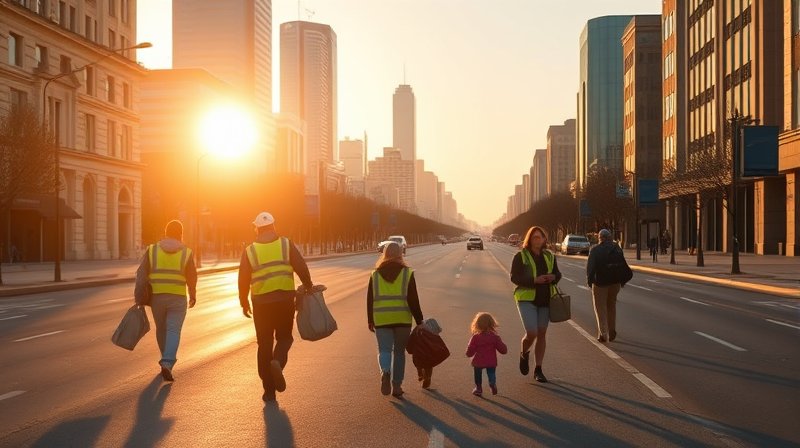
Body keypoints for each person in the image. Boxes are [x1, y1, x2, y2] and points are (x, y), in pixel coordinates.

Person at [238, 211, 314, 402]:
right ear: (273, 226)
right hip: (284, 301)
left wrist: (243, 301)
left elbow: (243, 278)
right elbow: (301, 266)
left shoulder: (250, 250)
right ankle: (278, 362)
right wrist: (308, 285)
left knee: (264, 344)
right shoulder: (286, 244)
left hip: (261, 303)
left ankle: (268, 390)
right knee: (285, 338)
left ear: (257, 229)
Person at [134, 219, 197, 382]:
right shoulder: (186, 252)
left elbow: (141, 275)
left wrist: (139, 297)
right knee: (173, 330)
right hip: (178, 297)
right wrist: (193, 293)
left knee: (161, 329)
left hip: (157, 298)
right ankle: (167, 362)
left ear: (165, 232)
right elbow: (192, 275)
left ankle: (165, 359)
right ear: (181, 234)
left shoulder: (152, 250)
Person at [367, 241, 424, 398]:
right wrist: (419, 321)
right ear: (400, 254)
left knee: (384, 350)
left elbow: (370, 299)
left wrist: (370, 319)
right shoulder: (407, 273)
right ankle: (397, 386)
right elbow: (413, 300)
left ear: (384, 254)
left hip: (381, 319)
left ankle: (385, 372)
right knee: (399, 353)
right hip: (402, 319)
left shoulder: (375, 274)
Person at [510, 226, 561, 383]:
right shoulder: (520, 256)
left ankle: (538, 369)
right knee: (532, 332)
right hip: (527, 299)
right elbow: (514, 277)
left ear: (545, 239)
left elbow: (558, 273)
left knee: (542, 333)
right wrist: (534, 280)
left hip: (545, 300)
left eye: (540, 237)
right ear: (529, 239)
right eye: (535, 237)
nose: (538, 240)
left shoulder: (549, 256)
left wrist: (553, 277)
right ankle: (524, 352)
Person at [586, 229, 629, 342]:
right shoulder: (617, 248)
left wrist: (590, 281)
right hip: (615, 283)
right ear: (610, 237)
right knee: (611, 306)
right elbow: (622, 265)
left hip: (600, 283)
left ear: (600, 238)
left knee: (600, 308)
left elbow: (590, 268)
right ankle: (612, 329)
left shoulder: (595, 250)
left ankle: (603, 333)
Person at [466, 312, 508, 397]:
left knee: (477, 374)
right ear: (491, 324)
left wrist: (468, 353)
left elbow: (471, 349)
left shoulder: (475, 337)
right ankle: (492, 383)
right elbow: (503, 350)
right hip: (491, 361)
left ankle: (478, 388)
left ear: (477, 324)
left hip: (478, 360)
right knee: (491, 373)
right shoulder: (495, 337)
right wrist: (503, 348)